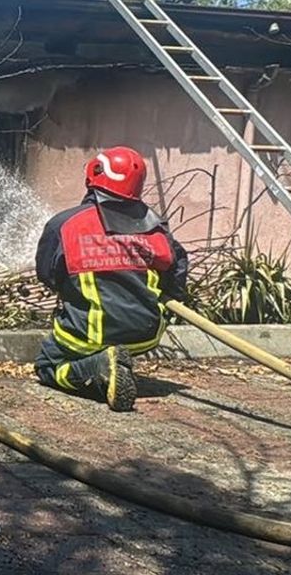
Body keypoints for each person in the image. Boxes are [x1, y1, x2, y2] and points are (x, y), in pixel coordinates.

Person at [34, 146, 189, 411]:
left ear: (94, 174)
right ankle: (111, 361)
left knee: (48, 366)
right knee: (112, 339)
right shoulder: (156, 227)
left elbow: (47, 275)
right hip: (146, 334)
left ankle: (99, 365)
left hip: (89, 334)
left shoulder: (65, 224)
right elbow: (176, 279)